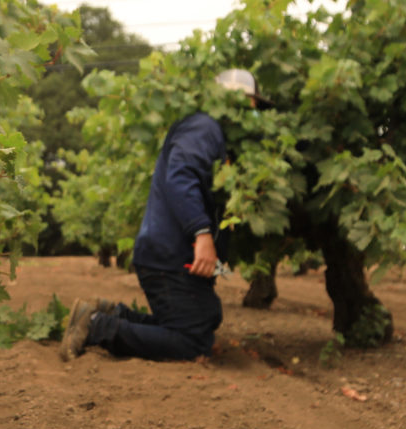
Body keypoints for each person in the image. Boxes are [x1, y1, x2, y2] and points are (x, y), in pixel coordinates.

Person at [60, 69, 267, 362]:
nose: (255, 111)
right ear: (234, 101)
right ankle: (96, 327)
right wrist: (202, 233)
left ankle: (110, 314)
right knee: (192, 340)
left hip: (170, 251)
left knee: (205, 317)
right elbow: (181, 177)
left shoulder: (211, 134)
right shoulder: (203, 127)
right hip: (168, 253)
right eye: (252, 103)